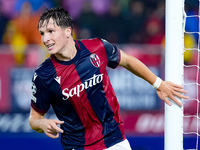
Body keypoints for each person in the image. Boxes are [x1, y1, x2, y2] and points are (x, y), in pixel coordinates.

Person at [29, 7, 189, 150]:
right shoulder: (43, 75)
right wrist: (41, 124)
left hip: (114, 139)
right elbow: (34, 118)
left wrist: (158, 84)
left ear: (68, 31)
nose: (45, 39)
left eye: (51, 31)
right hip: (77, 146)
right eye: (42, 33)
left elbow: (127, 61)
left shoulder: (96, 47)